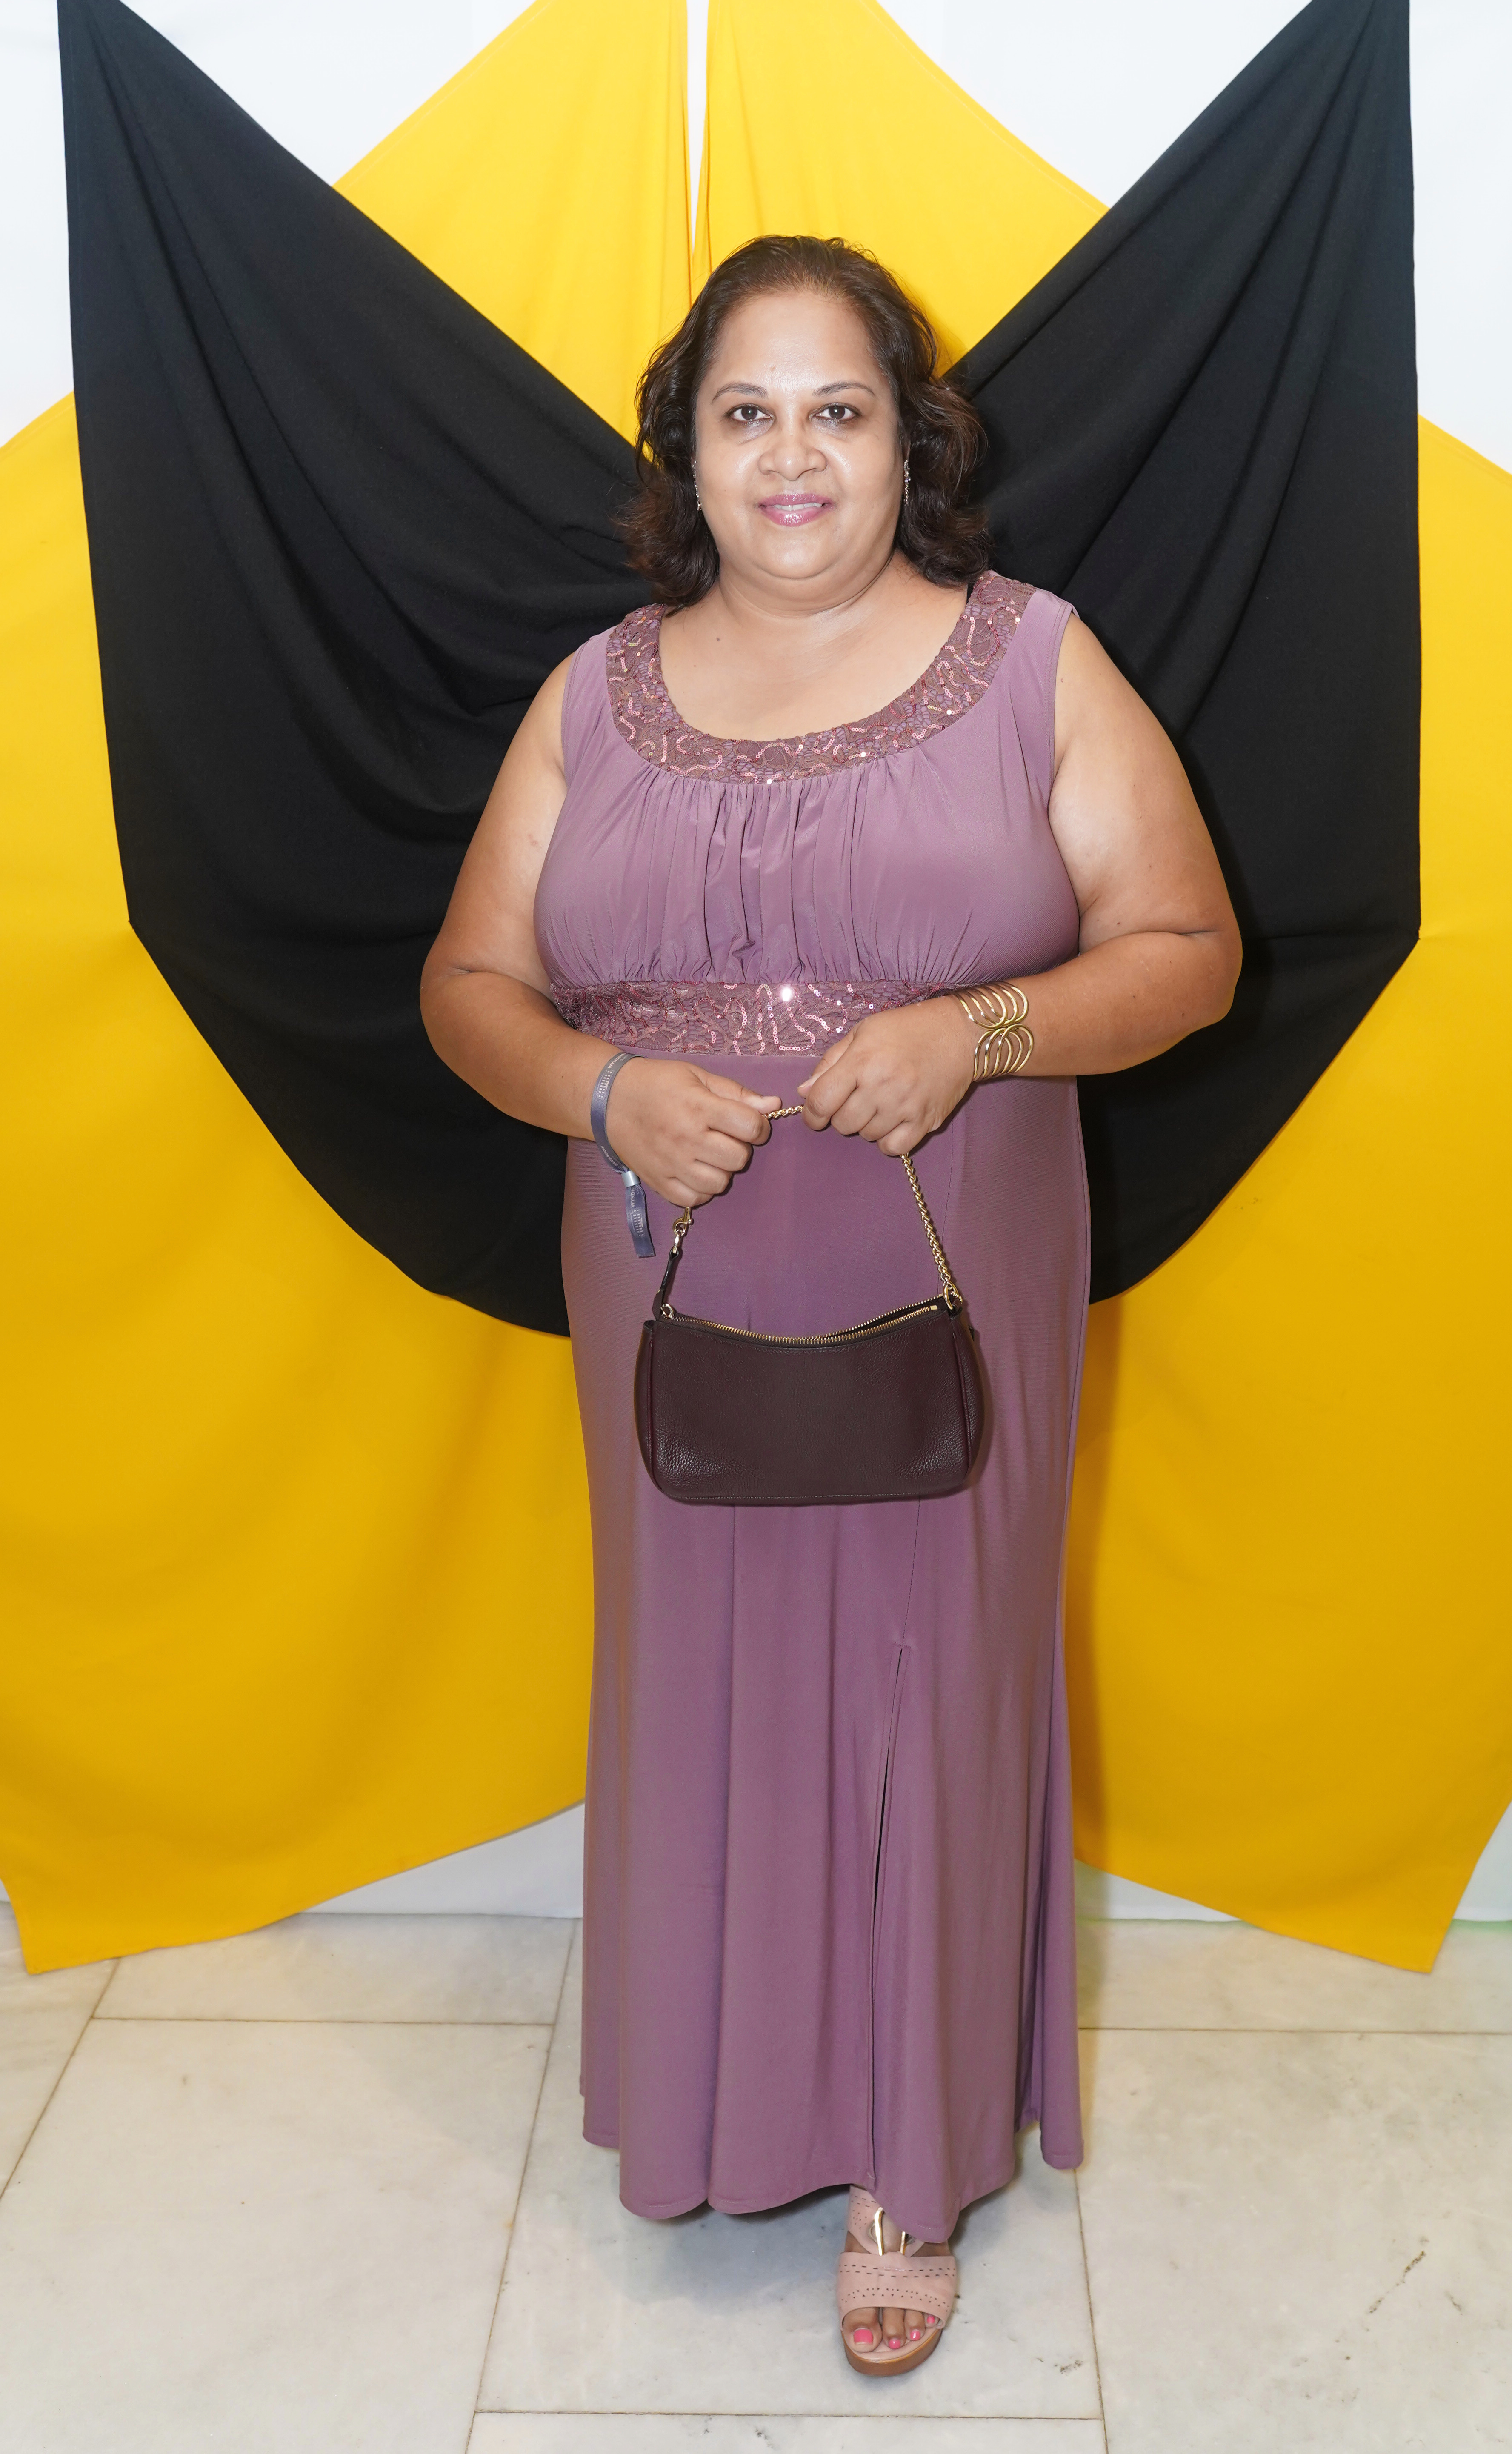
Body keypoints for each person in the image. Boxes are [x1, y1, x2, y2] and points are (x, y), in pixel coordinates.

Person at [421, 234, 1238, 2376]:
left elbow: (1187, 948)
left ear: (908, 441)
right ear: (687, 450)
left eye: (839, 410)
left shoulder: (1035, 660)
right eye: (747, 412)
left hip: (950, 1269)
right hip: (667, 1276)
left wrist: (979, 1031)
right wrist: (601, 1085)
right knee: (696, 1675)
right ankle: (719, 2104)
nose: (792, 456)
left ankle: (907, 2150)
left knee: (929, 1683)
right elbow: (468, 982)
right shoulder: (592, 694)